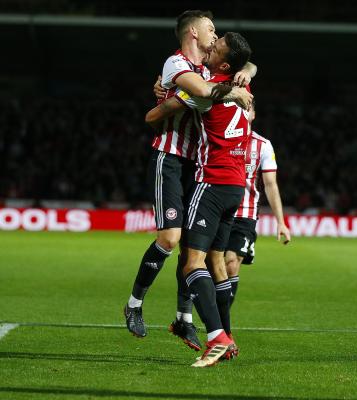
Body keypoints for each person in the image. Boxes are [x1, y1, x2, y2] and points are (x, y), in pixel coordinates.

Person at [124, 10, 256, 352]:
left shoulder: (209, 67)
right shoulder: (176, 63)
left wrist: (244, 72)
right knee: (170, 237)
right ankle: (135, 304)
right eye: (211, 29)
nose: (215, 34)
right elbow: (197, 92)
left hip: (196, 166)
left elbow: (247, 65)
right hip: (169, 158)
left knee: (191, 248)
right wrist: (232, 91)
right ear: (193, 32)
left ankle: (184, 319)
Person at [225, 102, 291, 308]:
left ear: (253, 114)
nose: (244, 112)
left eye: (248, 108)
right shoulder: (218, 138)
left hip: (245, 213)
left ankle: (220, 321)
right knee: (210, 265)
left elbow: (270, 184)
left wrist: (281, 222)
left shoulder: (263, 145)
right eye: (239, 108)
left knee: (231, 263)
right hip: (218, 210)